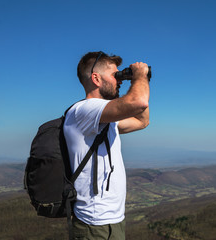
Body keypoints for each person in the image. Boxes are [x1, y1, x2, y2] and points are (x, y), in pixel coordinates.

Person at [63, 51, 150, 239]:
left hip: (113, 221)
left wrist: (141, 81)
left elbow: (142, 121)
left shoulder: (105, 120)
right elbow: (139, 102)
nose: (120, 80)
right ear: (96, 78)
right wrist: (140, 76)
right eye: (115, 75)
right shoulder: (84, 110)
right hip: (93, 224)